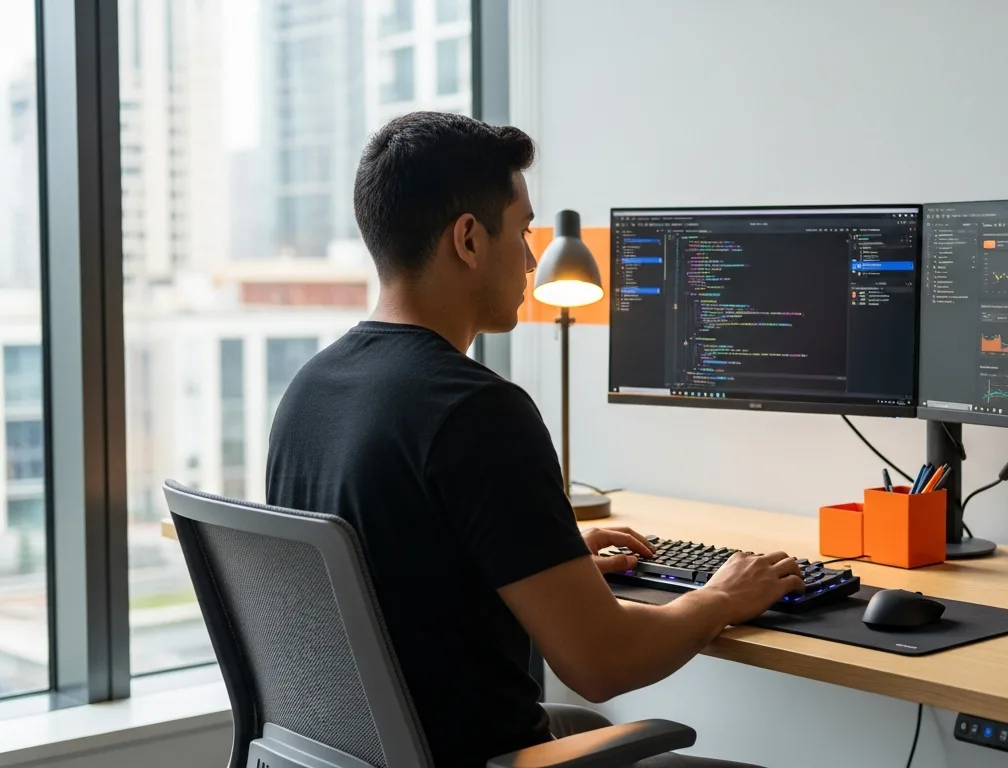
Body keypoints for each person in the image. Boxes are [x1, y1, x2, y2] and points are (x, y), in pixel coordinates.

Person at [266, 111, 800, 768]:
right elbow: (604, 662)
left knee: (580, 724)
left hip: (368, 751)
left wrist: (549, 558)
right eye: (522, 233)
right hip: (471, 756)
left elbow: (400, 566)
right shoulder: (477, 411)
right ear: (468, 239)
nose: (527, 258)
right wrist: (720, 595)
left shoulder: (311, 388)